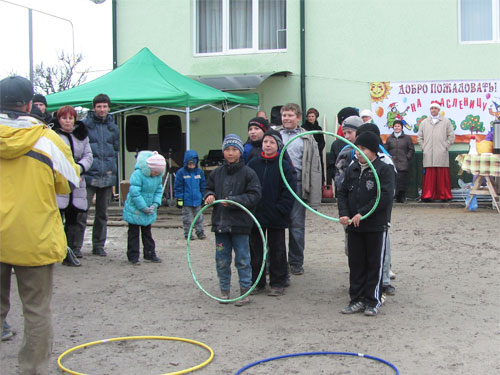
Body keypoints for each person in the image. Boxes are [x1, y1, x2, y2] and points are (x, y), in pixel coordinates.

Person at [0, 75, 80, 374]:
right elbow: (68, 184)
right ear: (30, 104)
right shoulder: (48, 140)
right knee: (35, 311)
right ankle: (31, 369)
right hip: (34, 238)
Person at [337, 131, 395, 316]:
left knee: (374, 264)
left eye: (362, 149)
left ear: (373, 151)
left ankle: (373, 300)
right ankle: (356, 299)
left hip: (375, 226)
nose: (358, 152)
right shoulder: (351, 169)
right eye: (356, 148)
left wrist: (362, 213)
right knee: (356, 264)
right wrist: (345, 214)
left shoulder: (383, 169)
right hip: (353, 227)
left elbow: (384, 197)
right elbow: (342, 193)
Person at [204, 134, 261, 306]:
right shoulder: (216, 173)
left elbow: (255, 195)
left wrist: (234, 201)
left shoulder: (248, 173)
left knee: (243, 259)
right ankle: (224, 291)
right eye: (227, 149)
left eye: (234, 149)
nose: (230, 153)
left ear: (240, 152)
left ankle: (245, 291)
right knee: (222, 259)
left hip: (241, 225)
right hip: (220, 224)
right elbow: (207, 188)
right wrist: (209, 196)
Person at [247, 130, 296, 296]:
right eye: (265, 141)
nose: (268, 145)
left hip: (276, 216)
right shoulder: (253, 164)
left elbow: (289, 191)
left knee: (277, 250)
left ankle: (278, 282)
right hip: (256, 216)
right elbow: (247, 187)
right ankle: (257, 282)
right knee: (255, 251)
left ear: (278, 146)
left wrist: (281, 210)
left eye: (272, 142)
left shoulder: (284, 165)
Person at [279, 103, 322, 276]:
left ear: (298, 117)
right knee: (275, 225)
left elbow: (314, 167)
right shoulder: (275, 135)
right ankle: (275, 261)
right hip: (277, 185)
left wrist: (314, 193)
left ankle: (296, 262)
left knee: (296, 225)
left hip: (297, 184)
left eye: (290, 115)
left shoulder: (307, 137)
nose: (286, 118)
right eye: (284, 115)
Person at [76, 94, 120, 256]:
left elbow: (115, 152)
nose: (102, 110)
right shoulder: (84, 125)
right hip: (88, 176)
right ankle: (76, 246)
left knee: (103, 214)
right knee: (81, 212)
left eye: (105, 106)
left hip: (107, 176)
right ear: (94, 107)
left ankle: (99, 245)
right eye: (99, 106)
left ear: (108, 108)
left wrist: (114, 176)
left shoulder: (113, 127)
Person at [53, 106, 94, 266]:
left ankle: (69, 252)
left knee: (73, 219)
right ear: (59, 119)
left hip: (77, 181)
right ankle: (56, 250)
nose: (68, 121)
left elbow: (88, 155)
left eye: (71, 118)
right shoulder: (53, 135)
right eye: (64, 118)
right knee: (57, 219)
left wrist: (80, 167)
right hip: (59, 181)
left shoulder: (82, 136)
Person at [122, 151, 165, 265]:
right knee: (133, 233)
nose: (156, 174)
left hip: (149, 209)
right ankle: (133, 256)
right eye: (154, 171)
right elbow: (135, 193)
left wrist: (155, 204)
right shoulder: (137, 175)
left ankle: (150, 253)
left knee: (147, 233)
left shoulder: (157, 177)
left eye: (158, 172)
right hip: (135, 210)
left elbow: (158, 191)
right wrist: (143, 207)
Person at [417, 101, 455, 202]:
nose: (433, 110)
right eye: (431, 108)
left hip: (441, 153)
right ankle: (428, 195)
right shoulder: (424, 122)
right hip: (428, 153)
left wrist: (445, 146)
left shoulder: (446, 121)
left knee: (442, 176)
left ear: (439, 110)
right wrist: (423, 147)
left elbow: (451, 135)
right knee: (429, 177)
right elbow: (420, 137)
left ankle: (444, 195)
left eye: (435, 108)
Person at [174, 150, 206, 240]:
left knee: (199, 218)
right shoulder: (181, 173)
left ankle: (200, 233)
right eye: (189, 164)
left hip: (197, 200)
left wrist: (204, 196)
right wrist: (179, 199)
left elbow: (203, 186)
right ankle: (188, 234)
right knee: (187, 219)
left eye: (193, 164)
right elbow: (178, 187)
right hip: (186, 201)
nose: (191, 166)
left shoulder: (199, 172)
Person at [327, 107, 359, 186]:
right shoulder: (337, 144)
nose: (347, 136)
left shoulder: (369, 141)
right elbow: (332, 166)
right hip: (344, 187)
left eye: (350, 132)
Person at [384, 119, 415, 203]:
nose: (397, 128)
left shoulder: (407, 138)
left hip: (403, 163)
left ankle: (402, 197)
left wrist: (407, 157)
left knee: (402, 181)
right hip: (392, 163)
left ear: (401, 127)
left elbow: (411, 149)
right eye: (395, 126)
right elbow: (386, 150)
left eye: (398, 126)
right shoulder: (389, 138)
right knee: (393, 180)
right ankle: (394, 196)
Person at [302, 107, 326, 185]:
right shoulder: (303, 128)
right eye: (309, 116)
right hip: (306, 152)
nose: (310, 118)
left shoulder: (318, 128)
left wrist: (317, 150)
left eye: (312, 116)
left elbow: (322, 142)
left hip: (317, 153)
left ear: (315, 117)